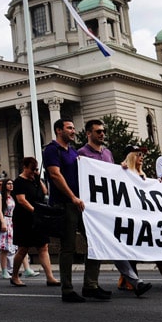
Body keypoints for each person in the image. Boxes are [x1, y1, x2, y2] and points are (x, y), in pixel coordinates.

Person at [77, 120, 152, 297]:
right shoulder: (81, 154)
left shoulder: (108, 153)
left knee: (114, 243)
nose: (102, 134)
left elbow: (111, 177)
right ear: (89, 133)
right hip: (93, 208)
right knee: (105, 243)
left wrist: (121, 169)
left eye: (103, 131)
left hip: (108, 207)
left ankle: (130, 282)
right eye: (98, 132)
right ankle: (95, 285)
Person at [43, 119, 107, 303]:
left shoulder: (72, 151)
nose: (73, 131)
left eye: (73, 127)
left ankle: (91, 285)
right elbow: (55, 174)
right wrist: (72, 197)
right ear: (58, 130)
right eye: (69, 128)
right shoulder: (52, 150)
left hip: (81, 204)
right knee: (68, 247)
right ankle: (67, 289)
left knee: (95, 242)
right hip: (65, 204)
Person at [119, 145, 162, 290]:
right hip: (131, 217)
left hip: (145, 217)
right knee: (132, 249)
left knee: (156, 246)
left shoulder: (143, 175)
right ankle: (127, 280)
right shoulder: (124, 172)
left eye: (142, 154)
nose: (142, 157)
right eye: (138, 154)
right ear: (131, 157)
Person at [9, 157, 59, 287]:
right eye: (32, 169)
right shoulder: (19, 182)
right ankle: (14, 276)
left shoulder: (35, 180)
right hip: (24, 219)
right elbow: (21, 200)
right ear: (25, 167)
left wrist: (38, 178)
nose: (34, 171)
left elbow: (44, 192)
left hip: (37, 218)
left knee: (43, 246)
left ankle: (50, 277)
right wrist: (34, 211)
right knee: (23, 248)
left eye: (36, 169)